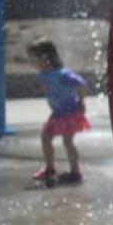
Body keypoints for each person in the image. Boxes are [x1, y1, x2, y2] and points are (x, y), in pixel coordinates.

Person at [27, 37, 90, 187]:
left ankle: (75, 171)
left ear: (45, 58)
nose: (31, 63)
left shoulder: (63, 74)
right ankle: (50, 168)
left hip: (70, 112)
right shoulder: (44, 74)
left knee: (67, 141)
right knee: (46, 136)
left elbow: (81, 84)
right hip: (57, 113)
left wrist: (81, 102)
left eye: (33, 59)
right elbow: (49, 86)